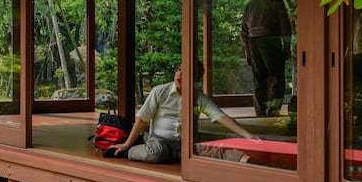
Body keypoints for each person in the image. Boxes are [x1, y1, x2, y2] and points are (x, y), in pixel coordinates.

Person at [108, 62, 257, 163]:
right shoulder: (160, 91)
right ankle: (130, 151)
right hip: (160, 142)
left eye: (186, 72)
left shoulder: (198, 97)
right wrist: (127, 144)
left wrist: (247, 135)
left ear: (195, 79)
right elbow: (142, 119)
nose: (180, 74)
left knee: (215, 149)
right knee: (156, 153)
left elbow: (221, 117)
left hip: (186, 144)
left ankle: (249, 162)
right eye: (179, 70)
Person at [241, 0, 292, 116]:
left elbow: (244, 31)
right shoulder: (276, 2)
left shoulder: (250, 4)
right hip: (271, 40)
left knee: (259, 79)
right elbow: (285, 26)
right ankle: (272, 110)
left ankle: (260, 111)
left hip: (253, 42)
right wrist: (287, 47)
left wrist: (247, 50)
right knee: (277, 78)